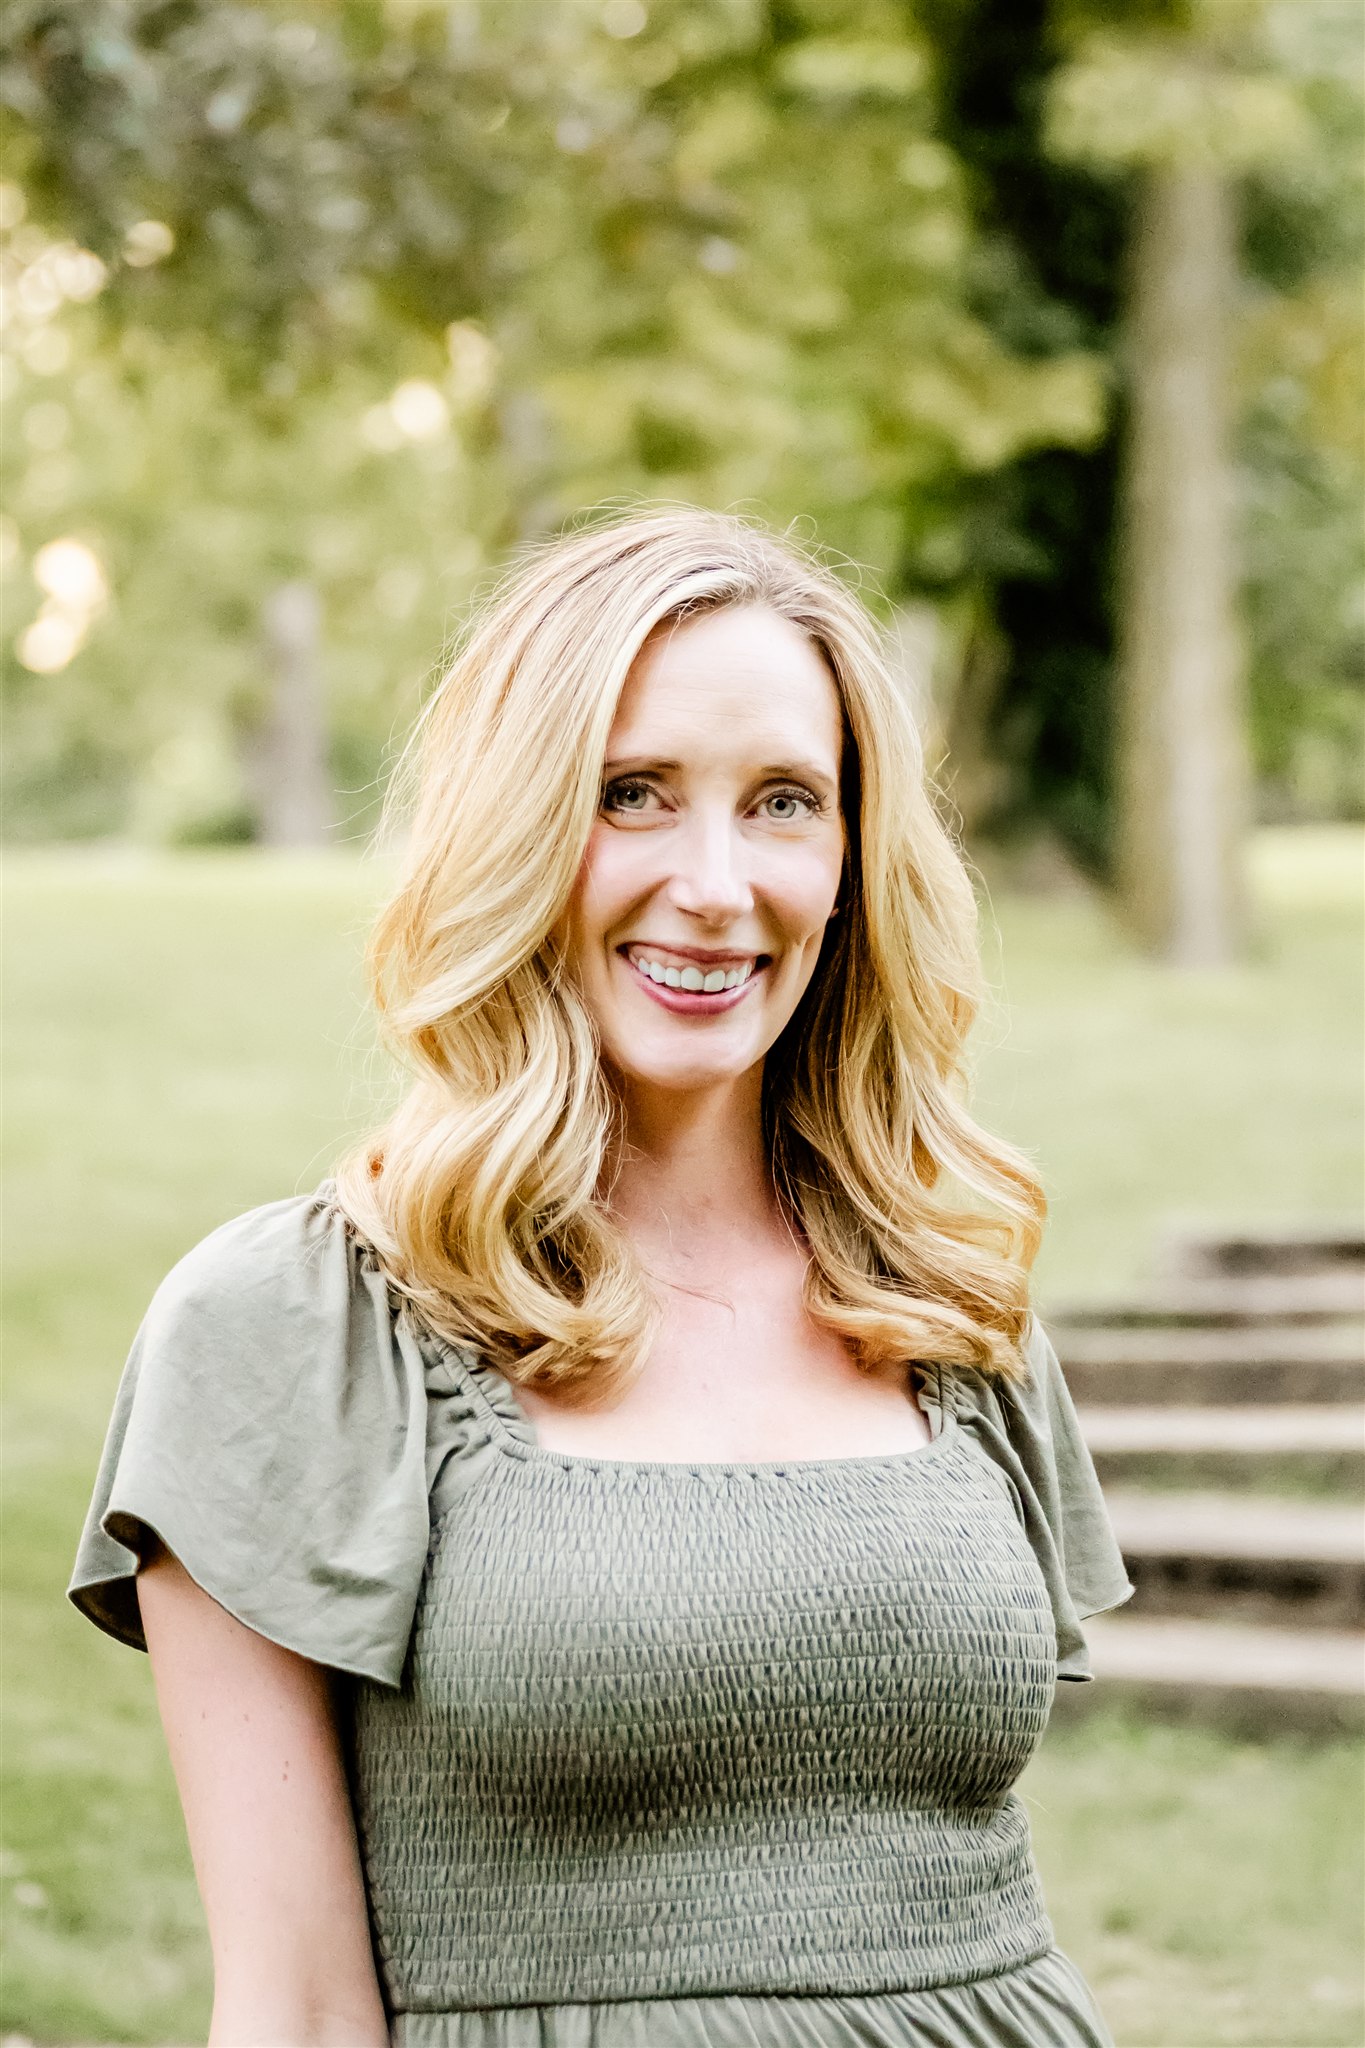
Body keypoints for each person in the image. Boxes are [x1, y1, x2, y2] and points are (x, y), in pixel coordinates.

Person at [70, 506, 1133, 2047]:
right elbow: (293, 2006)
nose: (716, 883)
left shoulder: (942, 1292)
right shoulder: (296, 1329)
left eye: (784, 802)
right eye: (630, 796)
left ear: (850, 858)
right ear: (512, 833)